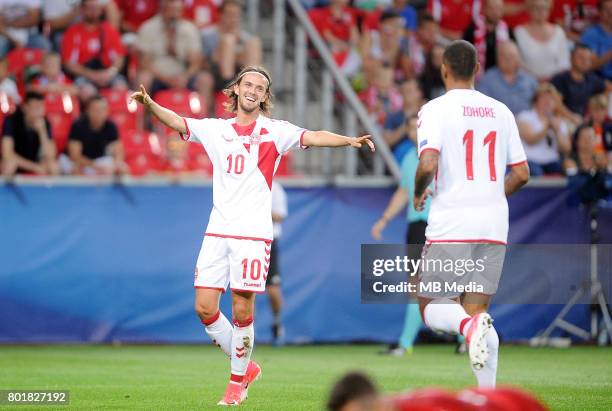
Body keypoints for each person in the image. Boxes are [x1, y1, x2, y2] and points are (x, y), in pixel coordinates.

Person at [129, 65, 375, 406]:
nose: (253, 90)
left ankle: (235, 383)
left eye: (260, 87)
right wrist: (150, 104)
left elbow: (313, 135)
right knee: (204, 308)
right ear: (236, 89)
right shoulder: (217, 130)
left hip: (253, 235)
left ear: (264, 96)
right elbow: (178, 122)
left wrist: (348, 140)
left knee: (243, 310)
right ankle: (247, 366)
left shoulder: (276, 132)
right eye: (248, 84)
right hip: (218, 230)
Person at [413, 40, 530, 388]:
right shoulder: (501, 111)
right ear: (477, 69)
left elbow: (428, 161)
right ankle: (488, 396)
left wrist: (419, 191)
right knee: (478, 310)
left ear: (444, 69)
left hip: (453, 221)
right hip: (494, 224)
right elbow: (522, 173)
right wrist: (493, 194)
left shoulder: (435, 109)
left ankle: (468, 328)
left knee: (432, 305)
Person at [371, 117, 427, 357]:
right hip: (416, 225)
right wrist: (384, 219)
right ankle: (405, 344)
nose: (415, 131)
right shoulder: (408, 158)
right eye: (411, 127)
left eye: (419, 126)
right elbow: (404, 192)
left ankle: (465, 337)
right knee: (417, 285)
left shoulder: (442, 156)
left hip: (440, 224)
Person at [137, 0, 212, 101]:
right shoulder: (148, 28)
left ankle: (203, 115)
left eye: (177, 10)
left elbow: (196, 62)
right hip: (158, 75)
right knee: (143, 78)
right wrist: (166, 79)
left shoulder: (189, 29)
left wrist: (185, 76)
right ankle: (141, 116)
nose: (174, 15)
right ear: (162, 9)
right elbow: (144, 63)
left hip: (183, 76)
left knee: (205, 79)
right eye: (171, 10)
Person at [60, 0, 126, 93]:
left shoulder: (109, 30)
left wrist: (110, 72)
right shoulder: (72, 32)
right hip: (84, 75)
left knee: (121, 87)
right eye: (89, 8)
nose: (93, 11)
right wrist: (92, 75)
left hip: (106, 73)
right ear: (82, 9)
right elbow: (69, 64)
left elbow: (119, 57)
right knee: (87, 91)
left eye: (96, 8)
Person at [516, 83, 572, 176]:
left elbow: (566, 149)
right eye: (544, 98)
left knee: (570, 168)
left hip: (552, 160)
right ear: (536, 101)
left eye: (551, 99)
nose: (548, 102)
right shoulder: (525, 116)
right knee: (537, 173)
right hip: (530, 159)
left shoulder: (559, 121)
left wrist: (557, 131)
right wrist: (546, 127)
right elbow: (530, 139)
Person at [64, 95, 126, 175]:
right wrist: (95, 166)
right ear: (88, 111)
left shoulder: (111, 126)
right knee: (76, 170)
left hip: (99, 160)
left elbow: (119, 152)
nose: (99, 113)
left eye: (102, 109)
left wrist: (115, 166)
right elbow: (75, 156)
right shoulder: (78, 126)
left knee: (122, 170)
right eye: (96, 110)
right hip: (80, 162)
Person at [1, 91, 58, 177]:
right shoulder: (11, 120)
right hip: (18, 162)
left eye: (41, 107)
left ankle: (53, 190)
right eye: (35, 107)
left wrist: (42, 132)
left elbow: (50, 155)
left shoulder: (45, 123)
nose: (39, 111)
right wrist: (34, 167)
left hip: (36, 161)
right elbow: (7, 154)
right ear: (25, 107)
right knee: (9, 165)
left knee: (53, 166)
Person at [477, 41, 538, 116]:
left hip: (526, 124)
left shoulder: (530, 80)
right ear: (497, 58)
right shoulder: (487, 80)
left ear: (519, 57)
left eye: (512, 56)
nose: (508, 59)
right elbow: (481, 107)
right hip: (498, 123)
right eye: (504, 56)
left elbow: (539, 106)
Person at [514, 0, 571, 81]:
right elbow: (517, 63)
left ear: (549, 10)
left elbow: (564, 63)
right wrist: (535, 79)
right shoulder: (519, 32)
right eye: (536, 8)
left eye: (544, 8)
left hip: (555, 84)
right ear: (529, 10)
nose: (540, 11)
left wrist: (551, 80)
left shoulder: (559, 32)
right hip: (526, 83)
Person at [551, 43, 606, 118]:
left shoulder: (592, 79)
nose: (584, 61)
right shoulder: (560, 79)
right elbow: (557, 105)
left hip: (585, 121)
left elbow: (608, 88)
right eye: (581, 57)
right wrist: (574, 119)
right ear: (571, 58)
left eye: (588, 59)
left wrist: (597, 105)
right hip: (564, 120)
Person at [463, 0, 509, 74]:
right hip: (475, 74)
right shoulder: (473, 29)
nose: (494, 12)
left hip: (500, 77)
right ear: (484, 9)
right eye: (491, 8)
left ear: (502, 11)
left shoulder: (507, 31)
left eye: (498, 8)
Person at [267, 181, 287, 345]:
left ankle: (277, 324)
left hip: (268, 240)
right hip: (246, 239)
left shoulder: (275, 187)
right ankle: (245, 331)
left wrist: (260, 211)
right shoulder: (244, 181)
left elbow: (280, 215)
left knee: (272, 288)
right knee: (244, 288)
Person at [580, 0, 612, 80]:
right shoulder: (590, 34)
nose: (611, 12)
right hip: (602, 80)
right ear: (599, 12)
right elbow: (590, 65)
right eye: (606, 9)